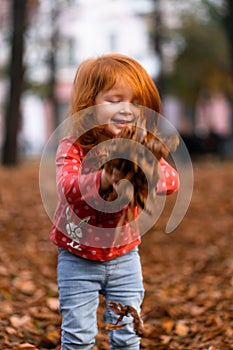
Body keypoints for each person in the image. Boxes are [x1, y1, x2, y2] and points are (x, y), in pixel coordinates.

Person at [50, 53, 179, 349]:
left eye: (135, 102)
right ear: (88, 104)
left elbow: (173, 181)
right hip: (77, 257)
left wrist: (145, 169)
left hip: (124, 257)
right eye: (114, 100)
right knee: (78, 337)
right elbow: (68, 187)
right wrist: (106, 177)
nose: (126, 109)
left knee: (127, 335)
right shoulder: (74, 147)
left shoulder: (138, 146)